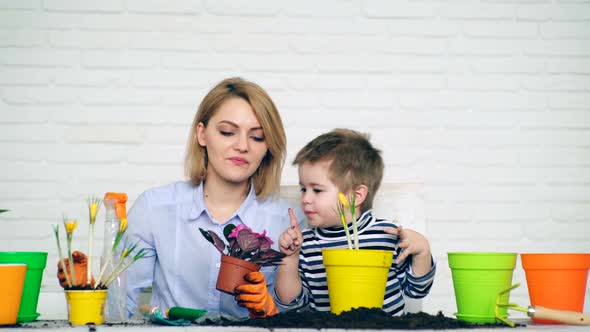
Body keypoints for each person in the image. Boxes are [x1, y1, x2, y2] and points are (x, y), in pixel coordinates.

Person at [58, 77, 303, 319]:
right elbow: (120, 309)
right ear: (202, 134)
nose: (242, 145)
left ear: (268, 146)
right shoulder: (154, 208)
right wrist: (86, 289)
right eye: (228, 132)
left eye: (257, 136)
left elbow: (304, 317)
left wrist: (271, 308)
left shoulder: (288, 219)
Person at [275, 128, 436, 316]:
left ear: (356, 196)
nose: (305, 199)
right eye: (303, 189)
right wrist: (290, 259)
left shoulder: (388, 235)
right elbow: (292, 305)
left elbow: (417, 290)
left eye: (317, 190)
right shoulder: (305, 243)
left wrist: (423, 251)